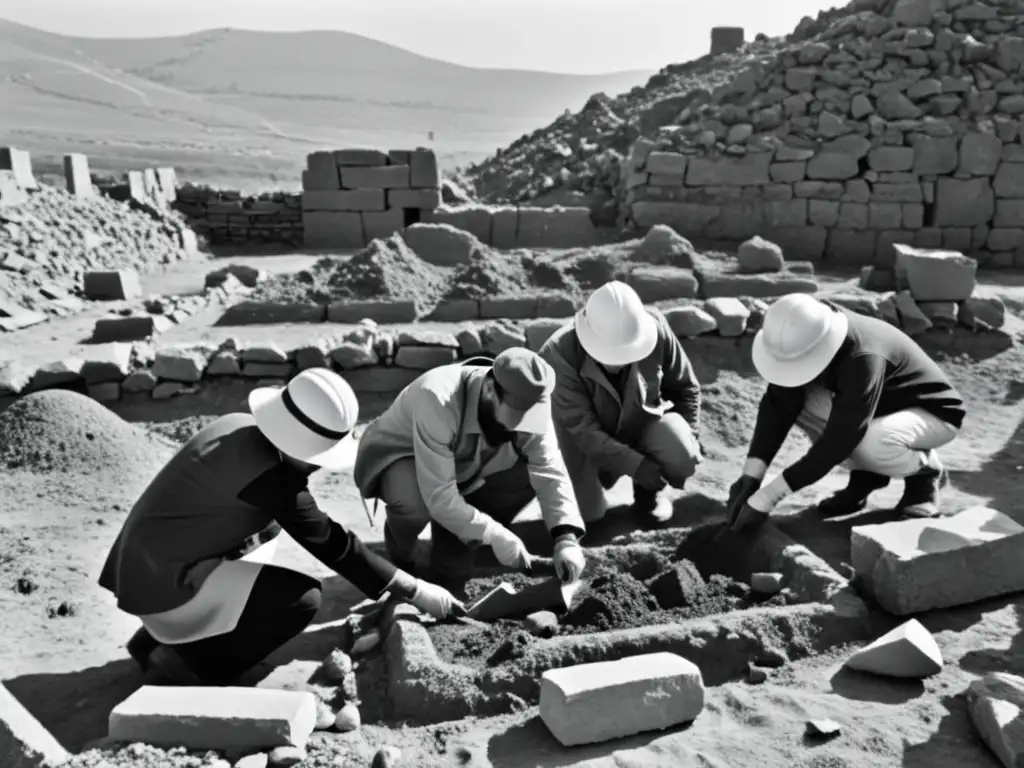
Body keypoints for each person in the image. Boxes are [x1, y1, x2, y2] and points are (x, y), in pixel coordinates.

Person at [99, 367, 464, 687]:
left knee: (268, 536)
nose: (318, 467)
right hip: (166, 579)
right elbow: (335, 545)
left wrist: (216, 558)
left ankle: (152, 641)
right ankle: (184, 665)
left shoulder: (237, 427)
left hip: (146, 566)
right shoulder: (270, 479)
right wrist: (417, 591)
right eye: (317, 456)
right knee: (299, 601)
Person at [727, 293, 966, 533]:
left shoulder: (861, 356)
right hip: (877, 407)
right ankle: (866, 477)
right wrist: (752, 476)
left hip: (932, 413)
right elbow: (779, 403)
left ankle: (923, 475)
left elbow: (841, 437)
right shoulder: (806, 328)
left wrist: (768, 497)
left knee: (871, 441)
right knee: (804, 403)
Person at [353, 348, 587, 586]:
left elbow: (549, 470)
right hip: (405, 457)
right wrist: (493, 534)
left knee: (525, 473)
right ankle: (404, 563)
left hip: (466, 469)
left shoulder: (531, 400)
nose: (522, 426)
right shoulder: (436, 397)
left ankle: (463, 539)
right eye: (517, 417)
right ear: (489, 391)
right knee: (413, 502)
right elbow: (439, 495)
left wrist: (565, 538)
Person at [539, 281, 703, 524]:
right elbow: (584, 430)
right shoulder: (557, 353)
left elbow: (685, 388)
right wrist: (637, 466)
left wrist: (691, 435)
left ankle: (648, 496)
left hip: (638, 424)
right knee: (587, 515)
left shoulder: (655, 328)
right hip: (579, 444)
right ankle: (568, 489)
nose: (618, 361)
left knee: (682, 452)